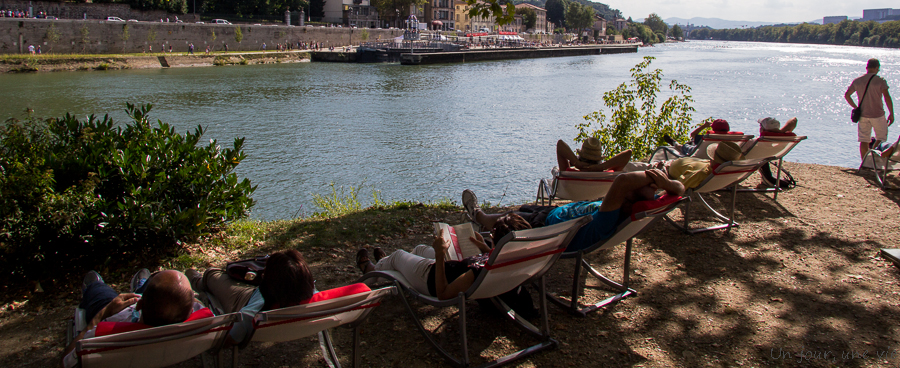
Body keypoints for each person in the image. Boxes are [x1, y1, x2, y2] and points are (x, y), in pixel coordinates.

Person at [464, 165, 685, 253]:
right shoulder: (617, 208)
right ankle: (483, 219)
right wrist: (668, 184)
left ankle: (479, 216)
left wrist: (661, 180)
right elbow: (681, 189)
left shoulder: (606, 221)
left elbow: (623, 181)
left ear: (628, 197)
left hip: (547, 230)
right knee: (523, 208)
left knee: (507, 218)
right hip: (554, 216)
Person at [356, 215, 529, 300]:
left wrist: (439, 256)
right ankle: (385, 265)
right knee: (420, 249)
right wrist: (486, 250)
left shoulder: (480, 270)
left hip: (432, 278)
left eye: (491, 234)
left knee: (398, 256)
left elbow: (443, 293)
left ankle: (370, 270)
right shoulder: (519, 258)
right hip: (456, 266)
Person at [62, 269, 199, 367]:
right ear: (191, 310)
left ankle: (94, 287)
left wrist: (102, 314)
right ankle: (140, 288)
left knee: (96, 288)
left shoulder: (100, 334)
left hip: (116, 313)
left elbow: (65, 362)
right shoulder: (202, 323)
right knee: (159, 288)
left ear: (139, 306)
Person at [187, 249, 314, 346]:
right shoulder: (312, 295)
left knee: (212, 274)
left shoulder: (251, 315)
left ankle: (195, 280)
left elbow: (227, 339)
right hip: (259, 294)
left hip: (242, 300)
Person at [845, 58, 894, 160]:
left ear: (867, 67)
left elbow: (847, 95)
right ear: (876, 67)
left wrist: (856, 107)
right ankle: (874, 158)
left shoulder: (858, 81)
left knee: (864, 140)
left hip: (863, 115)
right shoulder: (880, 80)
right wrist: (891, 113)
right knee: (880, 138)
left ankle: (864, 163)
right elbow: (887, 97)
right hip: (878, 115)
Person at [557, 137, 632, 172]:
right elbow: (628, 153)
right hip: (600, 193)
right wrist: (601, 167)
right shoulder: (606, 175)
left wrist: (577, 163)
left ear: (581, 157)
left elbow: (560, 144)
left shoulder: (568, 173)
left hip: (572, 193)